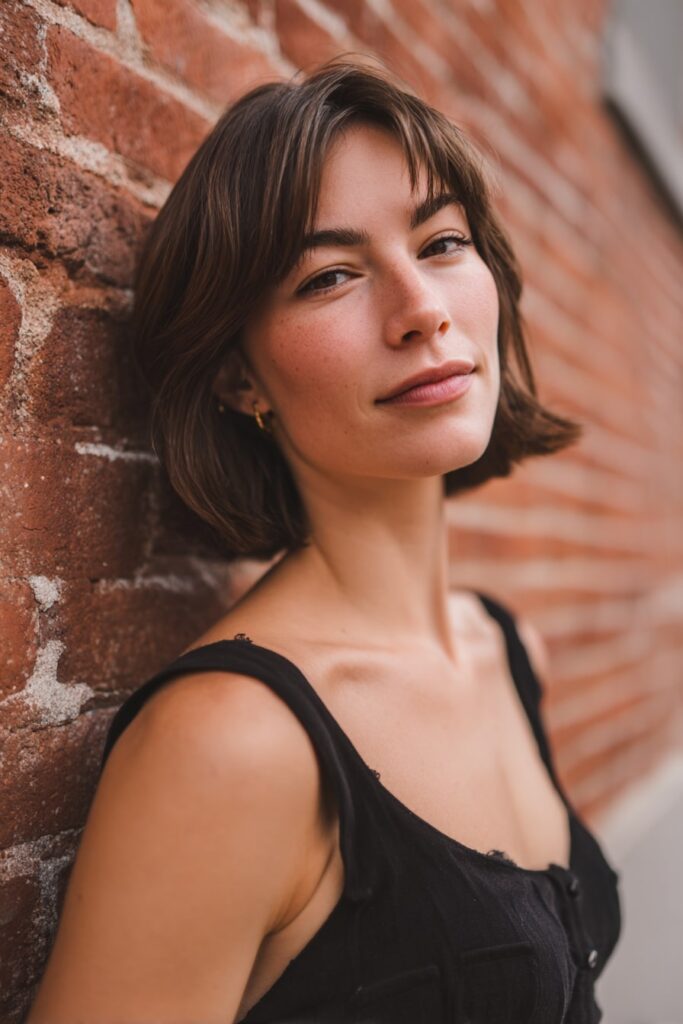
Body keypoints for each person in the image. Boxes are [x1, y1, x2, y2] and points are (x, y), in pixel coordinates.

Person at [27, 56, 621, 1024]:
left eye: (440, 242)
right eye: (330, 275)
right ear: (238, 378)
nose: (420, 307)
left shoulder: (508, 650)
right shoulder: (230, 742)